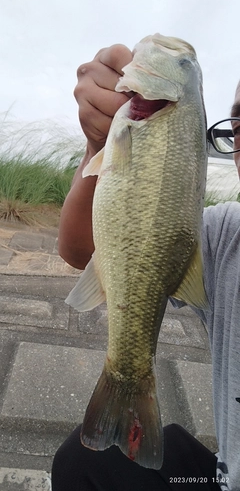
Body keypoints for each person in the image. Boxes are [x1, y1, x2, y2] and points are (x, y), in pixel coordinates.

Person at [52, 44, 240, 491]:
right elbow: (78, 249)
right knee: (83, 465)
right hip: (223, 472)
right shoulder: (225, 235)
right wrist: (99, 145)